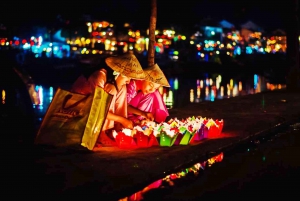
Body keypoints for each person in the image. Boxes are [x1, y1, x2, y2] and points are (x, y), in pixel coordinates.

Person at [71, 52, 150, 147]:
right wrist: (123, 120)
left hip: (95, 110)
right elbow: (99, 109)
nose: (129, 81)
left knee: (122, 88)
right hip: (78, 108)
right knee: (111, 90)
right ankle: (101, 132)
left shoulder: (113, 81)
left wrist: (123, 120)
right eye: (128, 77)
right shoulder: (100, 76)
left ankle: (117, 127)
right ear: (118, 73)